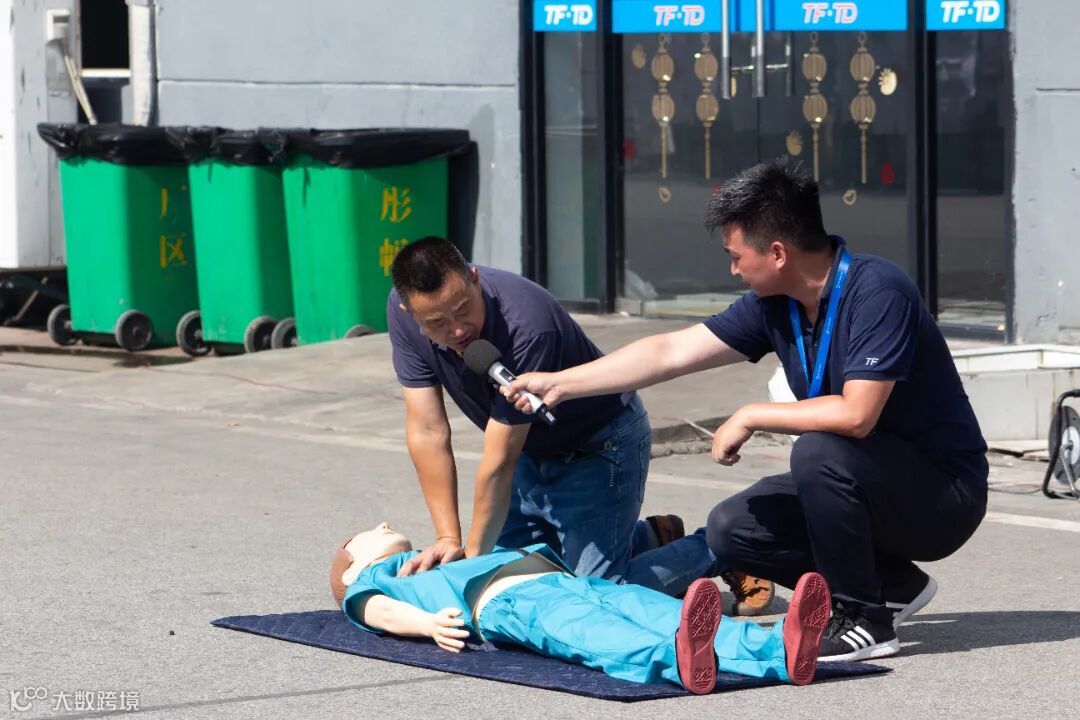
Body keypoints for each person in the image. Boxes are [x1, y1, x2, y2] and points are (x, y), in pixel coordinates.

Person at [503, 159, 988, 661]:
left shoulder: (878, 290)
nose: (733, 269)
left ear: (777, 252)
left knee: (818, 452)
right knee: (732, 528)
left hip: (942, 496)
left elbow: (856, 414)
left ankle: (863, 617)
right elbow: (669, 352)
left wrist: (751, 414)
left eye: (736, 257)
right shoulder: (776, 304)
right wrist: (561, 383)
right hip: (865, 479)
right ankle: (894, 586)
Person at [386, 236, 772, 610]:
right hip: (532, 452)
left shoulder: (526, 323)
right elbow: (427, 430)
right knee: (514, 578)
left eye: (463, 309)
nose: (457, 329)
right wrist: (448, 537)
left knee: (590, 597)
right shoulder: (403, 315)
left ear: (474, 278)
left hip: (599, 444)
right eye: (437, 322)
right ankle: (650, 537)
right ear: (409, 311)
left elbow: (499, 462)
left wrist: (470, 568)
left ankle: (723, 548)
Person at [328, 522, 832, 693]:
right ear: (352, 570)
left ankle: (777, 649)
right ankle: (675, 659)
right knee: (592, 631)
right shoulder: (370, 583)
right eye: (368, 533)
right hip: (510, 602)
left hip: (565, 579)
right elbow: (378, 613)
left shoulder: (433, 554)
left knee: (651, 607)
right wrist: (427, 624)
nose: (384, 523)